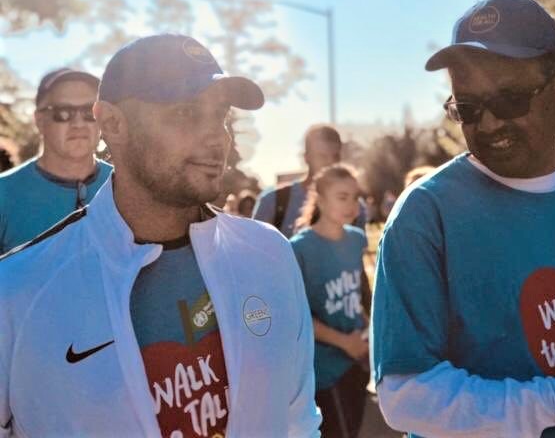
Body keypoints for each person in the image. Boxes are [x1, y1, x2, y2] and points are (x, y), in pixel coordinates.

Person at [0, 34, 321, 437]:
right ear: (112, 123)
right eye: (186, 113)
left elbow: (298, 422)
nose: (218, 137)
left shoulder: (270, 253)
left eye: (221, 114)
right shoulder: (16, 291)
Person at [372, 0, 555, 438]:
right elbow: (405, 395)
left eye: (511, 100)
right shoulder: (426, 214)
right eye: (469, 108)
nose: (490, 124)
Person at [290, 163, 369, 438]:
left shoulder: (357, 239)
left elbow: (359, 294)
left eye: (355, 196)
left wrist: (366, 336)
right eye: (342, 196)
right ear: (320, 200)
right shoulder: (298, 248)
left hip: (356, 362)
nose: (351, 205)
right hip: (324, 369)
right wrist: (344, 342)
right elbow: (296, 317)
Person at [0, 67, 112, 253]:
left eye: (89, 111)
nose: (78, 124)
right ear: (39, 120)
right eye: (63, 112)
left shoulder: (127, 187)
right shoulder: (4, 195)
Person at [252, 124, 366, 239]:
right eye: (322, 156)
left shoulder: (355, 207)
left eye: (335, 156)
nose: (330, 163)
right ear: (306, 157)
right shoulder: (273, 201)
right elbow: (255, 249)